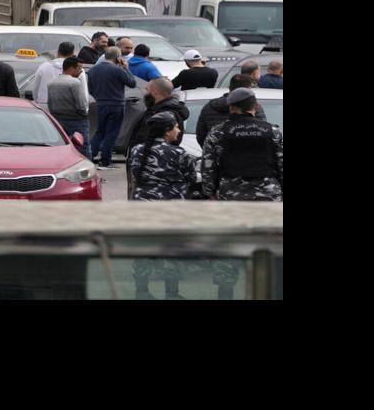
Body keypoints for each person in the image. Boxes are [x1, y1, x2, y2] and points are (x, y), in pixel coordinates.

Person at [125, 112, 197, 299]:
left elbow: (134, 173)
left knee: (143, 249)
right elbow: (191, 178)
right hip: (171, 209)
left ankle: (141, 291)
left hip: (143, 206)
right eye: (176, 127)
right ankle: (171, 292)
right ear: (167, 130)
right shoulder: (178, 153)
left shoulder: (137, 150)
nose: (178, 130)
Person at [200, 88, 283, 203]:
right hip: (268, 193)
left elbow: (208, 167)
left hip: (230, 194)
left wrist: (210, 193)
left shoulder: (218, 132)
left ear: (231, 108)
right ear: (255, 107)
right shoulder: (273, 131)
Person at [85, 49, 136, 168]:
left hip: (101, 104)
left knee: (100, 131)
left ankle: (90, 155)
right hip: (116, 104)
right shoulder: (118, 70)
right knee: (112, 133)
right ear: (118, 57)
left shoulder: (93, 70)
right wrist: (126, 68)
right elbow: (132, 83)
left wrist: (99, 97)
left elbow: (90, 88)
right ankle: (105, 160)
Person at [195, 74, 257, 147]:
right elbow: (262, 129)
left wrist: (213, 149)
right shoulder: (253, 106)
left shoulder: (209, 107)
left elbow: (201, 135)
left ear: (230, 87)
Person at [45, 56, 91, 155]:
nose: (81, 71)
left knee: (61, 146)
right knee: (83, 146)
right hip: (76, 120)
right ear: (71, 68)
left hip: (58, 119)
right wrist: (84, 113)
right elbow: (81, 104)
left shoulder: (51, 83)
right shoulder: (75, 83)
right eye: (79, 68)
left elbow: (50, 103)